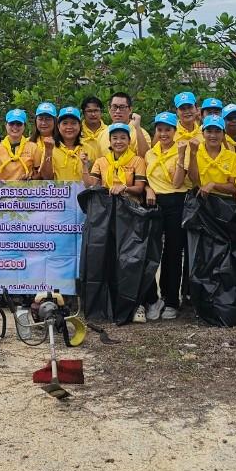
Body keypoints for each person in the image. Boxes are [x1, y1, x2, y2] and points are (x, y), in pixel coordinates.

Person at [87, 123, 148, 322]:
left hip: (130, 216)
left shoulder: (137, 161)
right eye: (115, 138)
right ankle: (107, 306)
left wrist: (124, 188)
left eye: (123, 137)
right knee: (107, 258)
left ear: (129, 141)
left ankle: (134, 305)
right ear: (110, 141)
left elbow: (139, 188)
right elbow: (92, 186)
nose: (119, 141)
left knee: (130, 260)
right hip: (106, 218)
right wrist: (84, 166)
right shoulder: (101, 161)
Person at [144, 111, 194, 320]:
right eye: (160, 129)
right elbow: (146, 178)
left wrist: (181, 155)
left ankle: (172, 299)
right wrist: (148, 189)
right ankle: (153, 299)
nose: (163, 134)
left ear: (175, 131)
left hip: (177, 201)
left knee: (173, 252)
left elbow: (177, 182)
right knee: (150, 251)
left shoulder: (183, 150)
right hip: (155, 204)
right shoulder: (150, 153)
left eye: (168, 130)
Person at [187, 114, 236, 198]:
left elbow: (233, 187)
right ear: (203, 134)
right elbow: (193, 179)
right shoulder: (196, 152)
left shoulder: (232, 157)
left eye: (217, 131)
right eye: (209, 131)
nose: (213, 136)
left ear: (223, 134)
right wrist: (193, 153)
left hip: (225, 203)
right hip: (201, 201)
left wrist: (213, 185)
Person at [0, 109, 38, 181]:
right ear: (6, 125)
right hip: (3, 190)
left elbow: (38, 173)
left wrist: (30, 178)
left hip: (26, 190)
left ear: (24, 126)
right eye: (11, 123)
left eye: (19, 124)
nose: (15, 127)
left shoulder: (33, 147)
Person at [42, 107, 94, 182]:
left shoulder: (89, 149)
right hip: (60, 193)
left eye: (73, 123)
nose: (69, 127)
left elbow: (94, 180)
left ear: (79, 126)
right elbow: (46, 177)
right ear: (58, 126)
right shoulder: (50, 148)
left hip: (84, 193)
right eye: (65, 123)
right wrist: (48, 151)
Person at [96, 92, 151, 158]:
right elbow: (99, 162)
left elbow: (146, 159)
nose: (118, 111)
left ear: (130, 110)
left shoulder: (141, 133)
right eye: (114, 107)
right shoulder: (102, 134)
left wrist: (138, 128)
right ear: (109, 109)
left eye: (122, 107)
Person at [32, 102, 59, 173]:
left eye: (48, 119)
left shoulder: (63, 143)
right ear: (36, 121)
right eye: (40, 119)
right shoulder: (27, 142)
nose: (44, 123)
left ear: (55, 121)